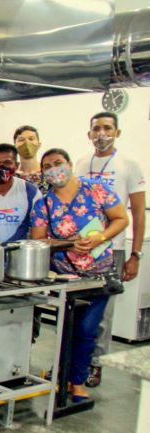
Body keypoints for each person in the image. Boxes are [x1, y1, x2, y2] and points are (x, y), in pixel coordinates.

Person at [31, 148, 128, 402]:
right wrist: (66, 244)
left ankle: (78, 381)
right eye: (48, 166)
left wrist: (101, 236)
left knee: (87, 329)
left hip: (99, 274)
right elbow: (39, 240)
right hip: (66, 277)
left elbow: (120, 218)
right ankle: (63, 375)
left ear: (70, 164)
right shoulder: (44, 204)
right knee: (67, 328)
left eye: (59, 163)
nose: (55, 169)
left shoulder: (95, 190)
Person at [75, 111, 146, 385]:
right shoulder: (81, 163)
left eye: (107, 128)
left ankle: (96, 363)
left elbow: (138, 213)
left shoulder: (129, 165)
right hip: (81, 249)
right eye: (96, 129)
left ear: (117, 132)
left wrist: (135, 255)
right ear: (89, 133)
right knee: (78, 310)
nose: (101, 134)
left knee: (102, 313)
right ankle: (75, 362)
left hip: (111, 249)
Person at [13, 125, 46, 193]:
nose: (27, 143)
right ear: (15, 146)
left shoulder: (48, 173)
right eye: (21, 140)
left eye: (31, 139)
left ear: (39, 145)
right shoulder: (11, 176)